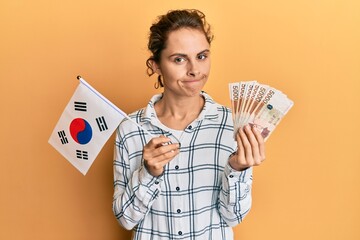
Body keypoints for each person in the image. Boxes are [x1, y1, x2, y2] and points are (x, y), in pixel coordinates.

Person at [112, 9, 265, 240]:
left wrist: (237, 170)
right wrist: (149, 173)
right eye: (179, 59)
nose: (194, 70)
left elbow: (233, 217)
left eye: (202, 56)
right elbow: (125, 219)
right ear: (155, 65)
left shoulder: (232, 125)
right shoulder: (130, 128)